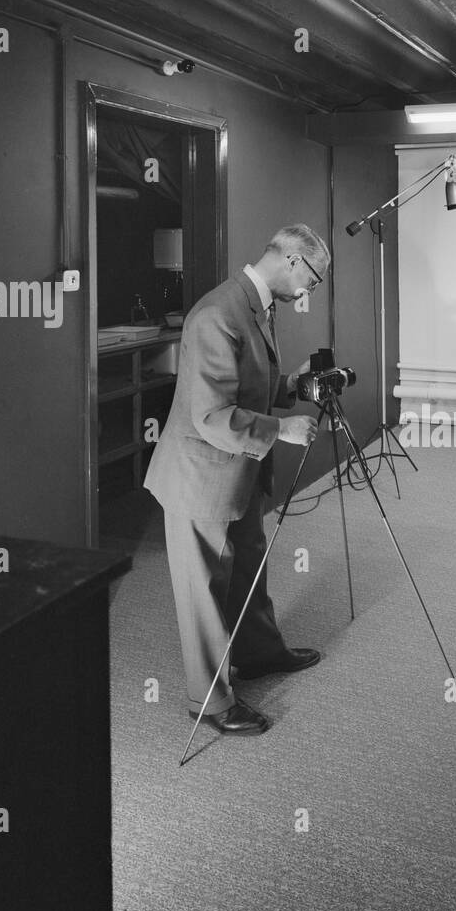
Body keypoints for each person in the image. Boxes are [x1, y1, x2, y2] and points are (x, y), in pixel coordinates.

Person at [144, 224, 329, 737]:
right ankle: (211, 702)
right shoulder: (216, 314)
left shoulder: (255, 303)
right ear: (291, 260)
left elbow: (246, 383)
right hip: (200, 475)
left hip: (239, 469)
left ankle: (259, 652)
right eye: (313, 279)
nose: (311, 291)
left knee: (248, 562)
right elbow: (210, 416)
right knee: (203, 589)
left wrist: (292, 386)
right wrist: (281, 428)